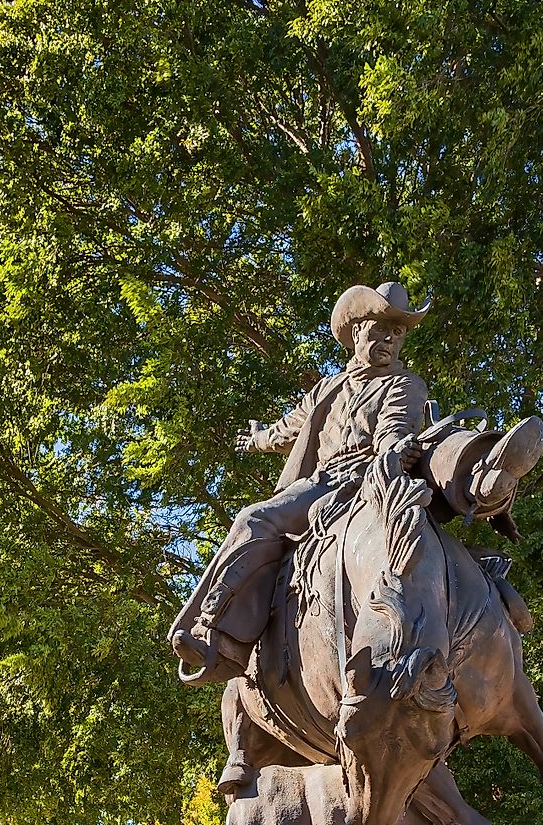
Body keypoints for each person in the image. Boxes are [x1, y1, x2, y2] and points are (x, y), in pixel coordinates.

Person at [168, 281, 434, 684]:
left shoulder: (404, 385)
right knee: (258, 524)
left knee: (255, 518)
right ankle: (224, 632)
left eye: (396, 333)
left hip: (359, 479)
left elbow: (393, 429)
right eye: (379, 328)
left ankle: (214, 631)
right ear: (356, 330)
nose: (388, 339)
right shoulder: (327, 388)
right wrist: (258, 438)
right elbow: (291, 427)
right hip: (318, 480)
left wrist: (395, 449)